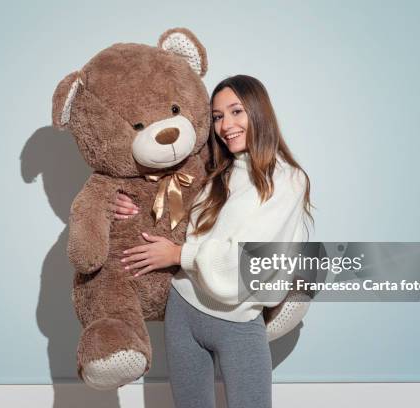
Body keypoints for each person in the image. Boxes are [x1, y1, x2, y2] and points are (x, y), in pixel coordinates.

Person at [113, 75, 312, 408]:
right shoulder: (215, 171)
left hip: (238, 319)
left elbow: (249, 259)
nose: (226, 125)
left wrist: (178, 254)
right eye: (218, 116)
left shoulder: (288, 180)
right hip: (183, 308)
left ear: (259, 112)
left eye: (236, 112)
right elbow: (168, 207)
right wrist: (127, 207)